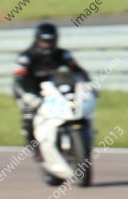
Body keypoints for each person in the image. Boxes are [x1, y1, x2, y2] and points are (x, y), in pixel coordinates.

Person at [13, 22, 89, 159]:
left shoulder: (63, 55)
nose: (47, 45)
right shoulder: (26, 58)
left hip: (56, 91)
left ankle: (82, 141)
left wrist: (88, 86)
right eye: (44, 42)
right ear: (37, 40)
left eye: (50, 42)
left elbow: (78, 71)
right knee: (28, 117)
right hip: (31, 92)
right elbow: (18, 82)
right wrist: (28, 96)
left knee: (78, 110)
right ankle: (36, 150)